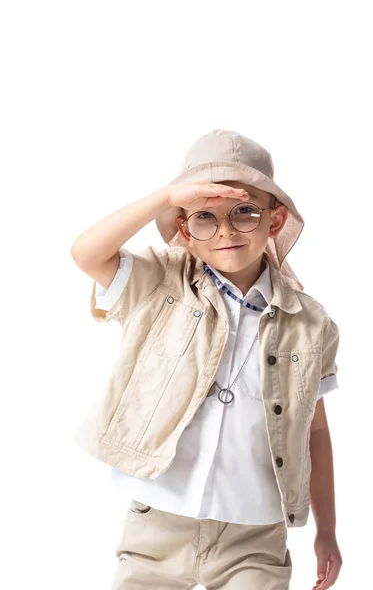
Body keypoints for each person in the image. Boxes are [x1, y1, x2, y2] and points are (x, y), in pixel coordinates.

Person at [71, 129, 343, 589]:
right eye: (203, 216)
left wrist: (328, 531)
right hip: (156, 522)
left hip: (254, 534)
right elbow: (85, 252)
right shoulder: (160, 281)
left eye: (244, 212)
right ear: (183, 228)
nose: (225, 231)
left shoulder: (311, 323)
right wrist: (167, 196)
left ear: (274, 220)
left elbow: (315, 431)